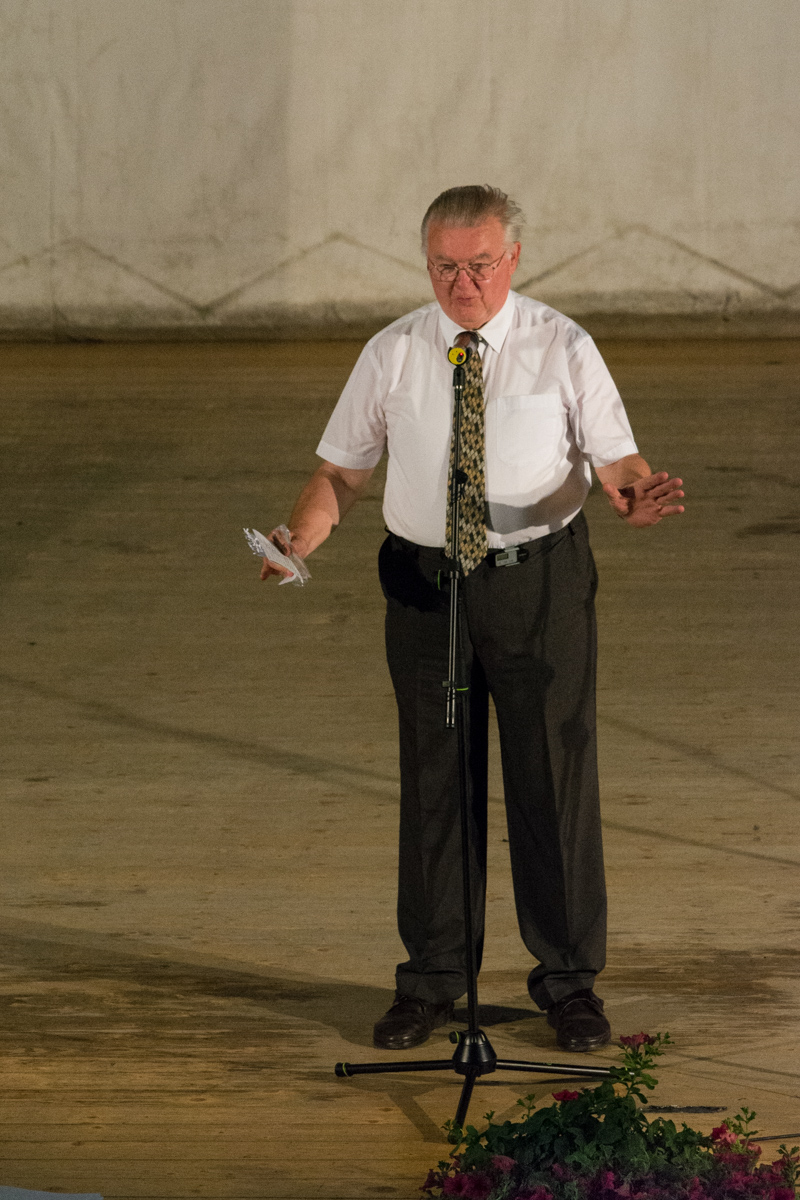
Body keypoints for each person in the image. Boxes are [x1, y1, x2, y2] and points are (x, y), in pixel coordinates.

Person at [261, 185, 684, 1054]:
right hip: (427, 587)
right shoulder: (393, 351)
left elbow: (617, 460)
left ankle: (568, 981)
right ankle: (431, 979)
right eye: (444, 267)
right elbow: (341, 473)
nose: (463, 284)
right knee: (435, 779)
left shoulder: (562, 345)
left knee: (552, 778)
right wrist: (299, 537)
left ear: (513, 259)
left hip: (537, 585)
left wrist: (636, 495)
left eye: (480, 265)